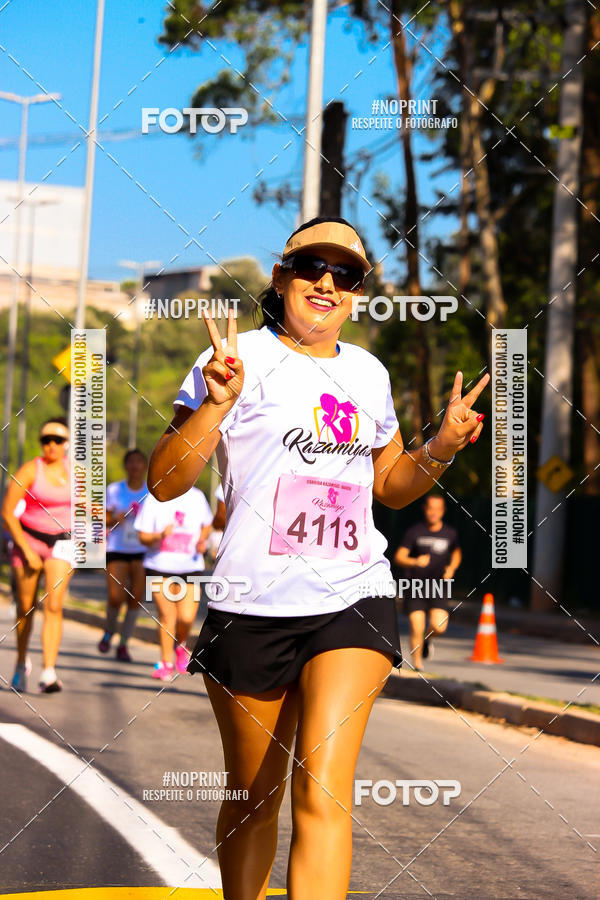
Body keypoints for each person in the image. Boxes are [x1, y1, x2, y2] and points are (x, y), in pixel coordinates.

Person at [147, 216, 488, 899]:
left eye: (347, 274)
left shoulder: (367, 371)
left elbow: (390, 483)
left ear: (360, 292)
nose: (327, 282)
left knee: (323, 791)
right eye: (312, 267)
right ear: (282, 278)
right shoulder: (234, 360)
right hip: (252, 602)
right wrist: (216, 404)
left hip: (352, 594)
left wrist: (442, 447)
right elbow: (164, 480)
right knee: (252, 797)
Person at [2, 417, 73, 693]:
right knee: (26, 608)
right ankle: (21, 663)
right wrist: (25, 549)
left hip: (62, 543)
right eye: (46, 440)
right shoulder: (31, 469)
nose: (51, 445)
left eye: (56, 440)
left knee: (54, 605)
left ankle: (49, 672)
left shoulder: (77, 471)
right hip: (29, 540)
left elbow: (87, 509)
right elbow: (7, 512)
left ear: (66, 444)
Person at [134, 486, 213, 681]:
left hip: (191, 565)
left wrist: (202, 540)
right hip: (158, 565)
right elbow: (143, 537)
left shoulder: (198, 496)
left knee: (186, 618)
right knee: (167, 615)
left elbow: (207, 525)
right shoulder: (155, 498)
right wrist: (160, 535)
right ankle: (165, 663)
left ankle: (182, 645)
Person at [394, 495, 462, 671]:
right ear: (425, 509)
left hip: (438, 586)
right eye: (430, 508)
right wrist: (415, 562)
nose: (433, 513)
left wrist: (452, 568)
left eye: (437, 509)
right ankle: (418, 665)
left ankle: (427, 639)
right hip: (415, 586)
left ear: (443, 511)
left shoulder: (450, 533)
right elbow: (399, 557)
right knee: (416, 626)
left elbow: (456, 553)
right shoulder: (414, 532)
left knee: (439, 626)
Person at [98, 448, 148, 662]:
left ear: (145, 466)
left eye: (139, 462)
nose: (135, 466)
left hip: (142, 551)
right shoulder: (115, 489)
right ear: (126, 466)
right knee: (115, 597)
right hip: (117, 548)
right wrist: (114, 519)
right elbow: (103, 518)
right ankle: (109, 631)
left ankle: (124, 643)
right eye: (131, 462)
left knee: (135, 599)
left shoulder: (152, 490)